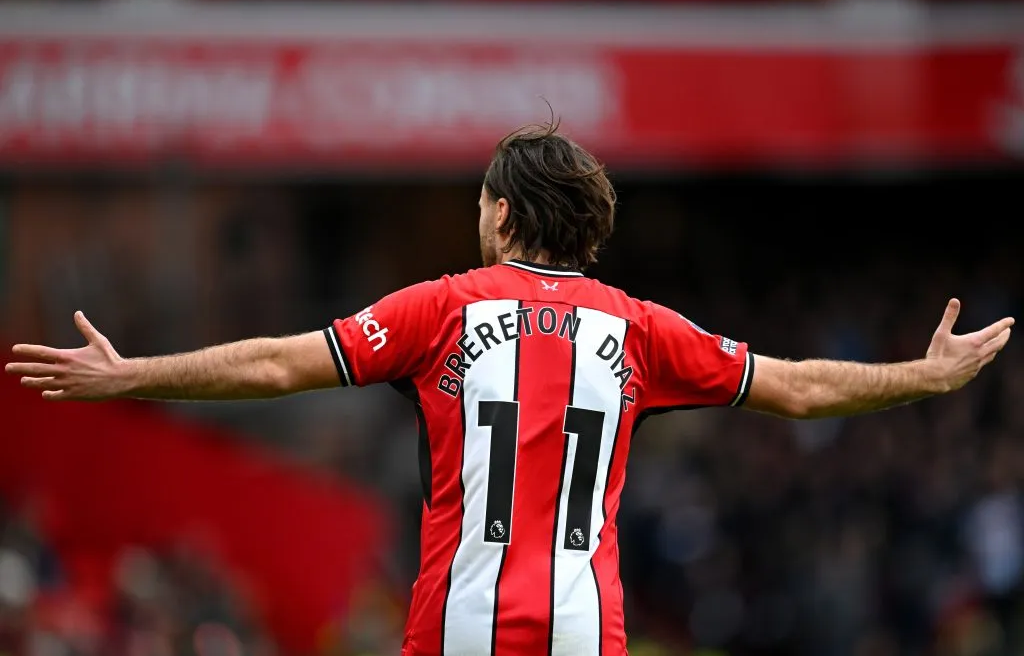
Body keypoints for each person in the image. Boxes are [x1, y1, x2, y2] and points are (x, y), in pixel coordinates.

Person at [4, 121, 1014, 656]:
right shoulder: (639, 328)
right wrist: (918, 378)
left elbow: (275, 361)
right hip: (585, 625)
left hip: (459, 619)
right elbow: (794, 388)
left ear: (498, 211)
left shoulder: (441, 309)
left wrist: (133, 373)